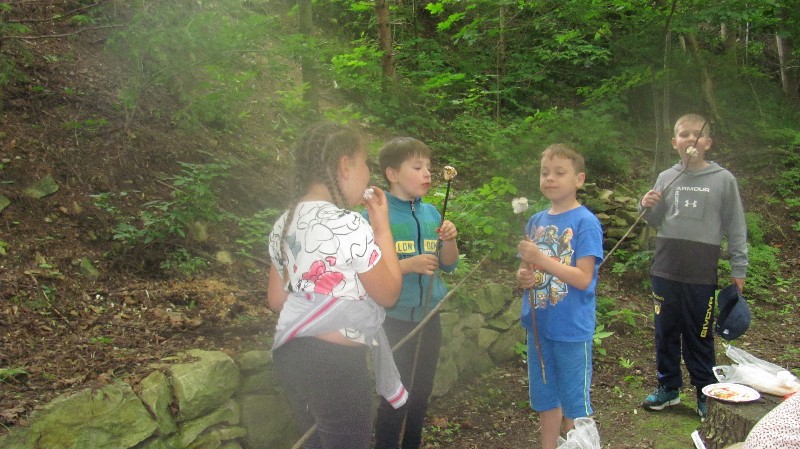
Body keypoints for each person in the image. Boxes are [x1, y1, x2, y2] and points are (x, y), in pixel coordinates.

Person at [267, 122, 404, 449]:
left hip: (291, 357)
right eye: (365, 163)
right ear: (345, 166)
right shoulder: (348, 224)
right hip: (337, 365)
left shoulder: (284, 222)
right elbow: (388, 293)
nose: (368, 173)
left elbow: (276, 299)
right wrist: (382, 230)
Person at [639, 113, 748, 421]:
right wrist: (645, 205)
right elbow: (653, 219)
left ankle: (704, 390)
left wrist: (738, 268)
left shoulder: (723, 180)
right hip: (665, 269)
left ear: (707, 143)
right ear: (674, 142)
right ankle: (668, 387)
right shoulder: (666, 177)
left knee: (698, 334)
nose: (690, 139)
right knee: (665, 332)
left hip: (701, 273)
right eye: (684, 134)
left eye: (696, 135)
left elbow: (736, 227)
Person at [364, 137, 460, 449]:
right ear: (392, 174)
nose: (427, 173)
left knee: (420, 395)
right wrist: (408, 265)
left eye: (429, 167)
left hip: (429, 319)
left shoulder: (431, 213)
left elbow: (449, 264)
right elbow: (365, 270)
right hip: (392, 320)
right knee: (395, 397)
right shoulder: (376, 216)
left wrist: (450, 239)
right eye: (418, 167)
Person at [515, 144, 604, 449]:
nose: (550, 178)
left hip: (571, 329)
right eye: (545, 173)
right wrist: (524, 276)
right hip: (539, 326)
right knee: (546, 398)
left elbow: (583, 278)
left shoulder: (585, 222)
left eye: (559, 173)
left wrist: (541, 259)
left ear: (579, 179)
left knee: (575, 405)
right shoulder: (535, 221)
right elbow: (525, 270)